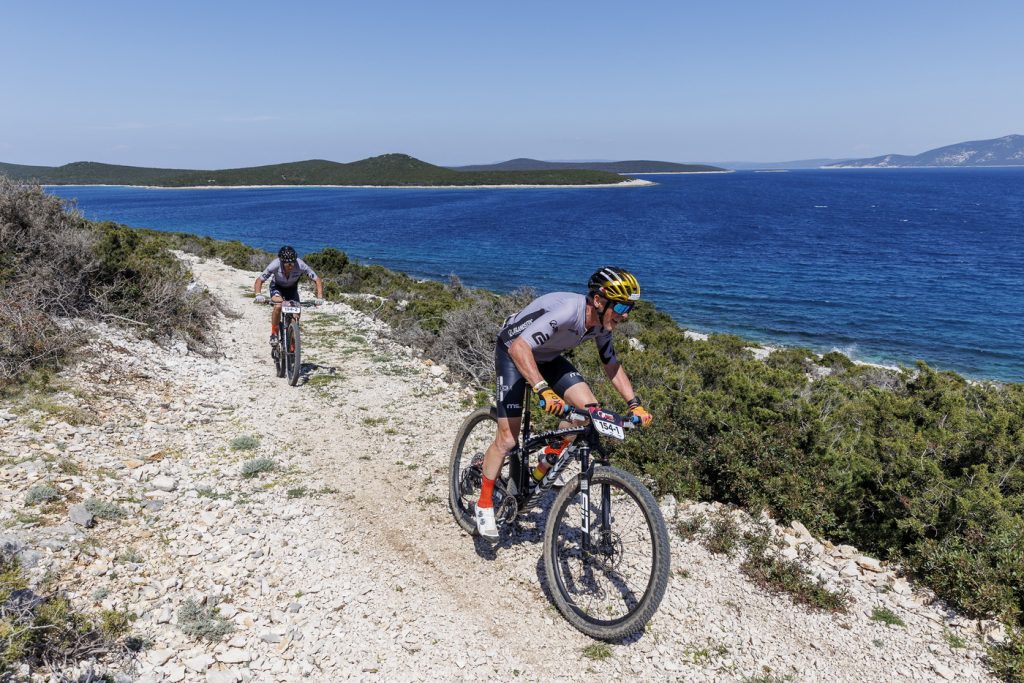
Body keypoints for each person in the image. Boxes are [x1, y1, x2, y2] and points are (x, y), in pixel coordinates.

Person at [474, 266, 653, 540]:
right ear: (598, 300)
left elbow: (611, 364)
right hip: (513, 351)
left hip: (547, 357)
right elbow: (520, 347)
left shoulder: (601, 325)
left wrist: (634, 404)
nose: (625, 314)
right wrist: (542, 389)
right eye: (620, 307)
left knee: (589, 412)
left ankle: (546, 460)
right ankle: (484, 502)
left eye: (629, 308)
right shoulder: (568, 312)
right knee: (508, 439)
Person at [253, 246, 325, 343]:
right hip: (277, 287)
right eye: (288, 264)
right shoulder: (275, 264)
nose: (291, 266)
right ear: (282, 262)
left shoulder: (300, 264)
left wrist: (319, 297)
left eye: (293, 262)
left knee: (296, 315)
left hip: (292, 289)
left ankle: (292, 338)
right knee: (278, 306)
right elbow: (259, 280)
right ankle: (274, 333)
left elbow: (316, 279)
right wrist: (258, 294)